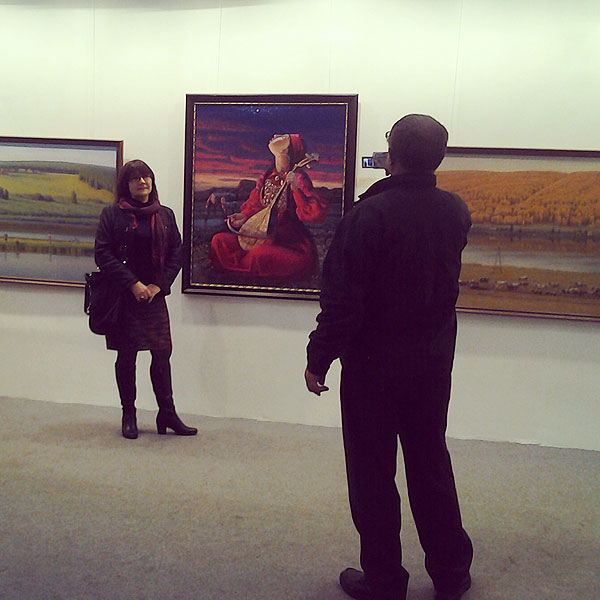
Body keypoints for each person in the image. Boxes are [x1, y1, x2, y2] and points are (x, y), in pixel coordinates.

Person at [305, 115, 473, 600]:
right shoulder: (454, 211)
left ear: (391, 155)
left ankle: (383, 580)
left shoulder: (368, 217)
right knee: (431, 464)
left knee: (372, 474)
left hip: (373, 368)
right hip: (432, 362)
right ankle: (451, 572)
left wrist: (319, 358)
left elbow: (342, 302)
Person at [95, 159, 197, 439]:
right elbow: (103, 254)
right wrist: (133, 284)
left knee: (162, 353)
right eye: (135, 178)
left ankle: (167, 413)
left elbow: (177, 253)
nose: (142, 182)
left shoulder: (165, 214)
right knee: (127, 356)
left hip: (154, 296)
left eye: (146, 176)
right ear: (125, 185)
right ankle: (129, 414)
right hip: (123, 297)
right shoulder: (111, 214)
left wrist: (157, 286)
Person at [210, 133, 328, 280]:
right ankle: (240, 268)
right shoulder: (265, 177)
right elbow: (255, 205)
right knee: (218, 240)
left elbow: (314, 214)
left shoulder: (299, 178)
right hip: (259, 235)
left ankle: (241, 270)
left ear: (286, 150)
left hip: (288, 242)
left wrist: (295, 190)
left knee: (259, 254)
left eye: (283, 138)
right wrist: (244, 216)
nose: (276, 136)